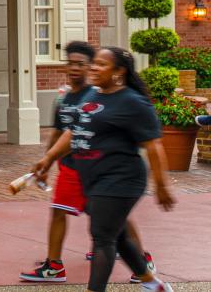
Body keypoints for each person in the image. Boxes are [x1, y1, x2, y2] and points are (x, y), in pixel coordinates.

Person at [33, 46, 175, 292]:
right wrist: (48, 158)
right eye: (94, 64)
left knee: (101, 236)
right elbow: (74, 131)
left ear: (119, 71)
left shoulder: (133, 102)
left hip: (121, 178)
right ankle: (152, 283)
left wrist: (162, 186)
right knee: (116, 234)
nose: (94, 68)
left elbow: (153, 146)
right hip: (93, 178)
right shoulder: (93, 96)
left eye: (102, 64)